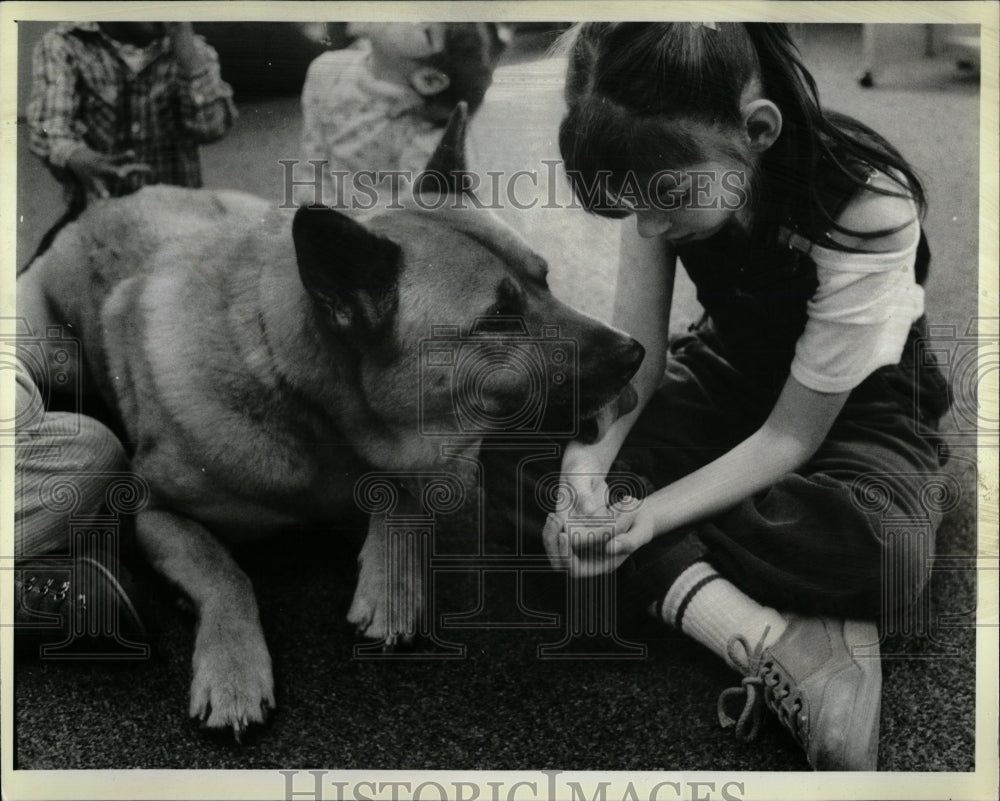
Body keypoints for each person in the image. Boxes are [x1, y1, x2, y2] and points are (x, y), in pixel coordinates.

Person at [527, 22, 951, 771]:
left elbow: (792, 436)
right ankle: (770, 630)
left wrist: (645, 515)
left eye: (665, 201)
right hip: (731, 367)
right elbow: (639, 363)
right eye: (633, 205)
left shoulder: (866, 207)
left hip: (858, 406)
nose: (648, 225)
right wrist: (585, 470)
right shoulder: (660, 173)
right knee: (534, 455)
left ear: (757, 132)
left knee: (884, 549)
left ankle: (702, 595)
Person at [25, 22, 236, 263]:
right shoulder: (66, 44)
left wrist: (187, 52)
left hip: (177, 217)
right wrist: (75, 154)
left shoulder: (192, 51)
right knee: (31, 287)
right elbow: (47, 125)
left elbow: (212, 127)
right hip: (98, 219)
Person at [298, 22, 505, 206]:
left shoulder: (424, 134)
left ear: (429, 80)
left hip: (380, 236)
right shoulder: (326, 70)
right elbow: (313, 159)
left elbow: (422, 220)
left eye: (425, 30)